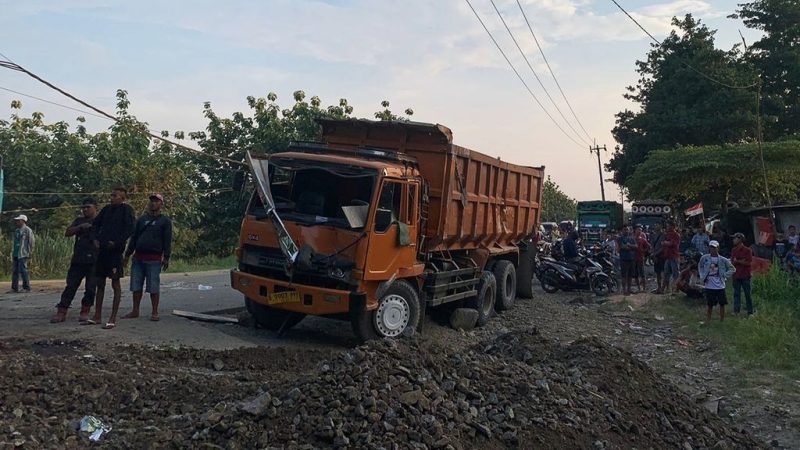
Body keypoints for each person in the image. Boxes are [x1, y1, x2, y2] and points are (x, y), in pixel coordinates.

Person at [85, 187, 135, 329]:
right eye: (111, 195)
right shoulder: (106, 209)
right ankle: (97, 316)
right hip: (102, 251)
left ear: (122, 198)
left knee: (115, 284)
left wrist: (118, 242)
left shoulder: (127, 211)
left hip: (115, 252)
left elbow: (130, 229)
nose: (112, 197)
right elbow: (95, 225)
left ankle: (112, 318)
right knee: (99, 283)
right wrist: (94, 239)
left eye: (115, 195)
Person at [122, 194, 172, 322]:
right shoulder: (142, 219)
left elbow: (167, 240)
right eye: (152, 201)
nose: (153, 203)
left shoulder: (165, 221)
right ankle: (135, 310)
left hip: (154, 258)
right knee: (136, 285)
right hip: (138, 257)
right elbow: (134, 238)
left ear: (161, 204)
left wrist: (166, 257)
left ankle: (154, 312)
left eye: (156, 201)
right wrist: (127, 255)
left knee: (153, 286)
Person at [51, 198, 99, 323]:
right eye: (83, 207)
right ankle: (62, 311)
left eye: (88, 207)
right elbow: (67, 232)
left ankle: (85, 311)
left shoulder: (100, 221)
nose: (85, 210)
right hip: (78, 259)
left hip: (94, 260)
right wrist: (80, 227)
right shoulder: (79, 220)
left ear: (95, 207)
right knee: (71, 286)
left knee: (90, 288)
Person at [698, 240, 736, 323]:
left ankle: (721, 319)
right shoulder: (705, 258)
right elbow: (700, 266)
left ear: (718, 248)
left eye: (714, 248)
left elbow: (732, 268)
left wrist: (725, 275)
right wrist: (702, 276)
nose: (712, 249)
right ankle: (708, 319)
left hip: (720, 283)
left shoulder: (723, 259)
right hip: (709, 283)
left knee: (722, 303)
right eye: (711, 247)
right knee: (710, 303)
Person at [10, 214, 35, 293]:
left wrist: (30, 251)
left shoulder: (28, 230)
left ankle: (26, 287)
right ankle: (14, 288)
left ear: (23, 221)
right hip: (16, 253)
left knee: (23, 270)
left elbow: (31, 241)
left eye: (18, 220)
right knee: (15, 271)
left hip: (23, 253)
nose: (17, 222)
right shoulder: (17, 230)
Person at [730, 232, 754, 317]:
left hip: (745, 275)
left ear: (740, 239)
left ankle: (750, 312)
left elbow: (748, 262)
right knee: (736, 294)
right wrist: (741, 261)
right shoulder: (733, 250)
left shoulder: (748, 250)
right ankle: (736, 311)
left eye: (735, 238)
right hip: (736, 275)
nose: (733, 240)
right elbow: (732, 262)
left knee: (747, 294)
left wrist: (738, 261)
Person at [662, 222, 682, 294]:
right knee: (666, 273)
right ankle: (666, 289)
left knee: (675, 273)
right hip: (668, 256)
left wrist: (665, 243)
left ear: (673, 226)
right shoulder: (667, 234)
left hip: (674, 256)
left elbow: (671, 244)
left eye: (669, 226)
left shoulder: (676, 235)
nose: (668, 227)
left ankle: (676, 289)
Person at [616, 226, 637, 296]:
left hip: (631, 258)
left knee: (630, 276)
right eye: (624, 230)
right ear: (622, 231)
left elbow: (636, 246)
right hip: (623, 259)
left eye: (627, 230)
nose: (626, 231)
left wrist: (629, 246)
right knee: (624, 275)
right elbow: (622, 247)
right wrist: (630, 247)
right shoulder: (620, 238)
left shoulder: (632, 238)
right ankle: (624, 290)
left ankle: (629, 289)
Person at [633, 225, 650, 293]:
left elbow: (648, 246)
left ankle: (644, 288)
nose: (639, 231)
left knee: (642, 274)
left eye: (640, 230)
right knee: (636, 274)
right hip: (634, 259)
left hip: (640, 258)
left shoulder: (642, 239)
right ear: (635, 230)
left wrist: (644, 251)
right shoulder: (632, 239)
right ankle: (639, 288)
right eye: (638, 230)